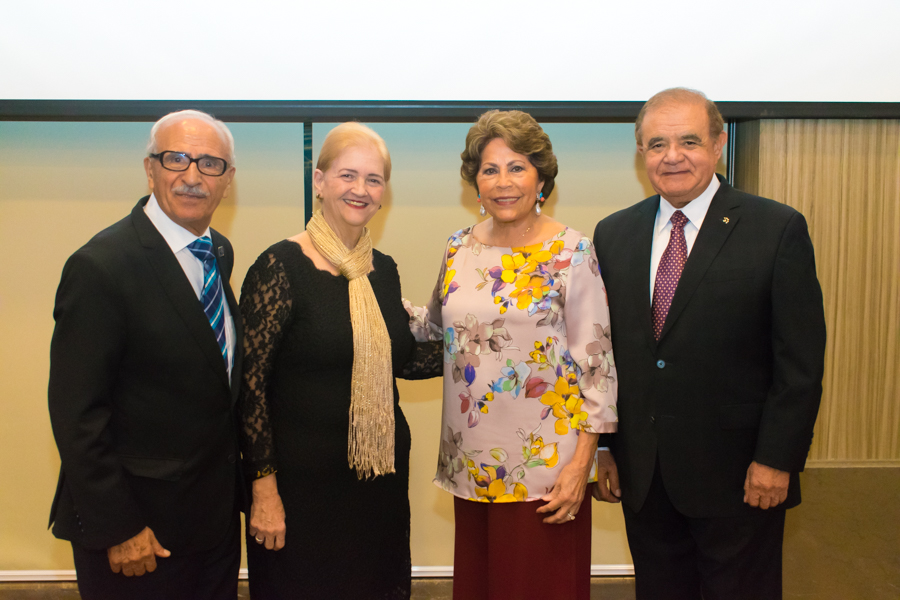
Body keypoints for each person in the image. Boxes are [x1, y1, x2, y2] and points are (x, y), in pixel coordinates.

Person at [592, 88, 827, 600]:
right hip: (646, 475)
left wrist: (777, 459)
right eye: (657, 144)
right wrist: (606, 446)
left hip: (740, 477)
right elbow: (606, 353)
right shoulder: (613, 233)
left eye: (689, 141)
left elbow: (800, 363)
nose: (672, 156)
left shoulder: (776, 228)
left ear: (718, 145)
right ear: (641, 152)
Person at [418, 110, 619, 600]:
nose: (503, 182)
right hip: (471, 463)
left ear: (541, 178)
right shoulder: (457, 248)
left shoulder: (573, 251)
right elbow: (433, 328)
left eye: (517, 168)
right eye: (490, 169)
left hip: (546, 469)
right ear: (475, 181)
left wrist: (582, 466)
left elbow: (596, 366)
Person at [238, 122, 441, 599]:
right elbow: (249, 389)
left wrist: (484, 347)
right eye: (348, 175)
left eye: (373, 179)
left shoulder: (382, 270)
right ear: (320, 181)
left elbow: (400, 359)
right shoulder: (280, 267)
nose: (360, 189)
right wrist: (262, 490)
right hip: (299, 491)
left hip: (377, 484)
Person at [48, 110, 244, 600]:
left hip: (212, 524)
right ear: (150, 168)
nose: (193, 176)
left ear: (228, 181)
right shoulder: (101, 267)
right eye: (176, 159)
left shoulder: (217, 251)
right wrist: (119, 527)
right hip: (139, 535)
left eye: (210, 164)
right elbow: (77, 414)